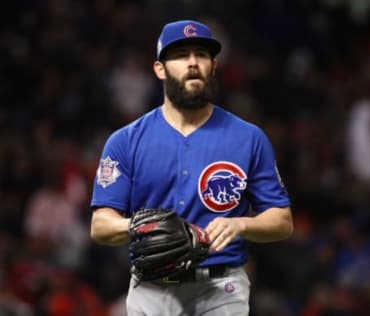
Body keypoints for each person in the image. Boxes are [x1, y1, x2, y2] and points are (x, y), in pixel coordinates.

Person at [89, 19, 294, 316]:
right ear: (160, 68)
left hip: (221, 287)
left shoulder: (248, 138)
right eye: (181, 55)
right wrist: (139, 227)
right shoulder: (125, 141)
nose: (193, 62)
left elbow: (282, 221)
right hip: (152, 288)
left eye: (201, 54)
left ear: (214, 66)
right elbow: (100, 225)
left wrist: (241, 224)